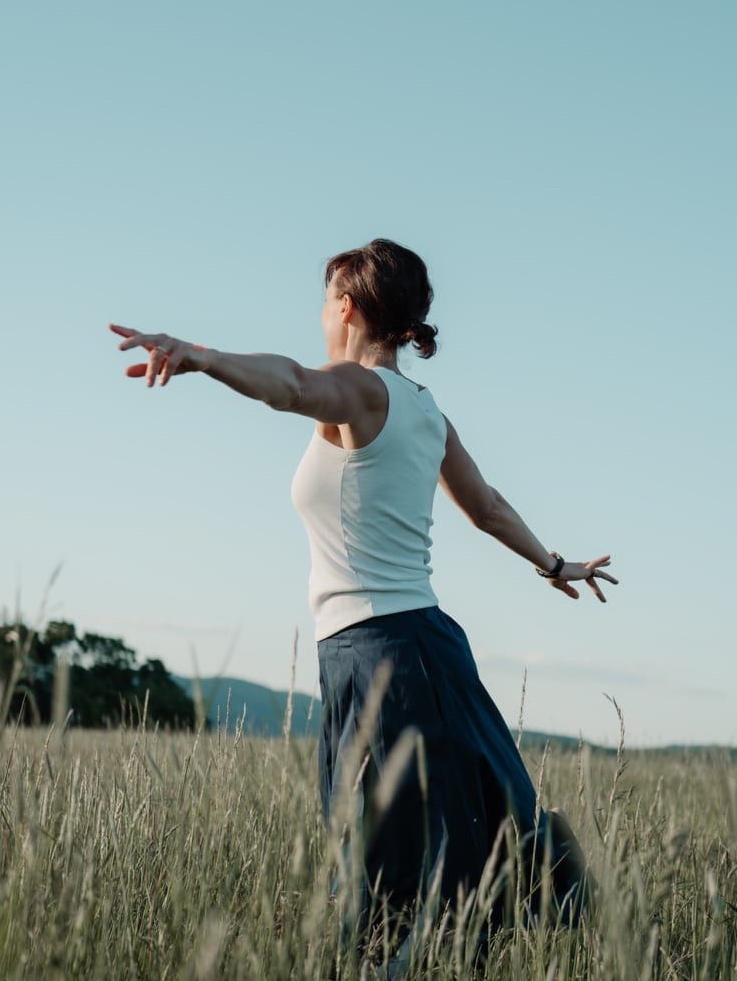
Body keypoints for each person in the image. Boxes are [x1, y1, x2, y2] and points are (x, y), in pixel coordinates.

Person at [110, 238, 615, 945]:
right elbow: (488, 508)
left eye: (325, 301)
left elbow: (291, 383)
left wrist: (198, 354)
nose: (321, 315)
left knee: (390, 867)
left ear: (345, 306)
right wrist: (554, 564)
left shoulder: (362, 389)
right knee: (447, 842)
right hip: (414, 648)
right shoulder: (425, 410)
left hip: (384, 655)